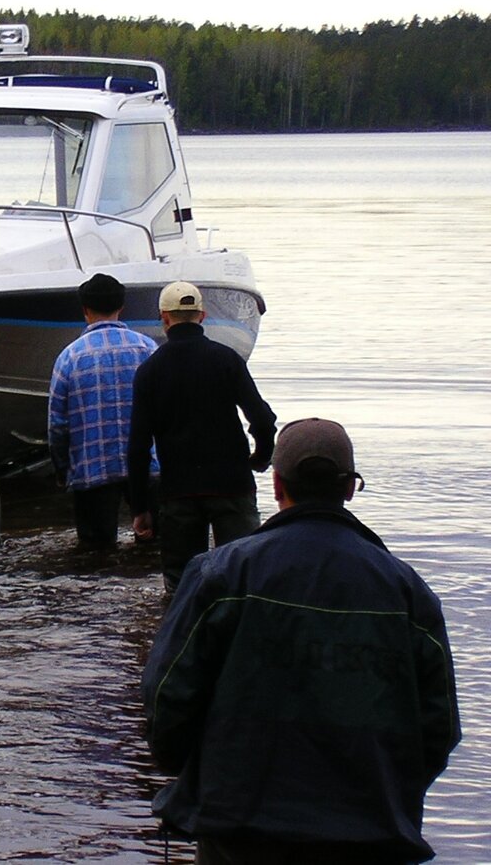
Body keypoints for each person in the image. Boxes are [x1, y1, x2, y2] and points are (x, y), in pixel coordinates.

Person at [141, 417, 461, 864]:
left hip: (237, 829)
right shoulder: (408, 591)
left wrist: (195, 773)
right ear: (349, 488)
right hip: (369, 834)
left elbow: (168, 697)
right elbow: (439, 727)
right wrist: (386, 793)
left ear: (277, 485)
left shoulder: (221, 573)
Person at [127, 280, 276, 590]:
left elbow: (139, 445)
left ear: (164, 318)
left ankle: (182, 636)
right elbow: (261, 418)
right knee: (245, 579)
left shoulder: (150, 371)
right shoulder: (226, 359)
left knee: (182, 587)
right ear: (203, 316)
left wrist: (140, 507)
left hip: (179, 492)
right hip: (232, 487)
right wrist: (260, 457)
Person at [48, 273, 157, 549]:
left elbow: (57, 424)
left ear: (85, 310)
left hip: (91, 469)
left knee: (95, 554)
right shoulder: (147, 348)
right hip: (148, 468)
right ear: (121, 307)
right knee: (155, 548)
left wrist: (63, 468)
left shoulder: (70, 357)